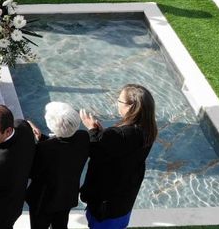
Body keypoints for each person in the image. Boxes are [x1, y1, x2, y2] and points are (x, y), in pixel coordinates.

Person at [79, 84, 158, 229]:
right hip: (124, 201)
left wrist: (91, 130)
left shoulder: (119, 135)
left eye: (120, 101)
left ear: (131, 106)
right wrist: (102, 134)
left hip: (106, 206)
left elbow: (95, 151)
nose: (117, 104)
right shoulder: (148, 129)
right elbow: (118, 150)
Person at [26, 102, 90, 229]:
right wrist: (42, 138)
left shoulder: (43, 149)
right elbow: (63, 148)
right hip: (66, 197)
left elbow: (31, 172)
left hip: (43, 201)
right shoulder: (84, 138)